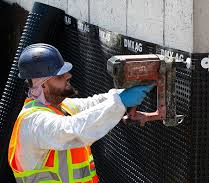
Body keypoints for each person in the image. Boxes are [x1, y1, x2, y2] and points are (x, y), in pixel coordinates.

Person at [8, 43, 153, 183]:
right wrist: (120, 102)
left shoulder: (62, 107)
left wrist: (122, 93)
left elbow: (92, 105)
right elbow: (73, 129)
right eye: (60, 76)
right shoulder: (34, 122)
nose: (68, 76)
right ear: (43, 85)